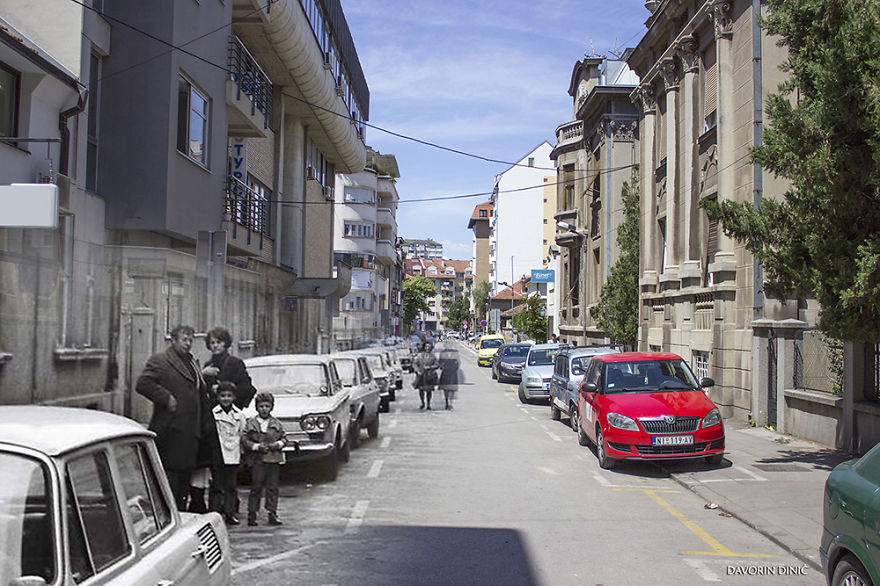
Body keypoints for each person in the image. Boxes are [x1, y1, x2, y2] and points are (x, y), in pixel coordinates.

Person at [136, 324, 209, 510]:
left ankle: (180, 512)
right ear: (173, 340)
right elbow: (143, 383)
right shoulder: (160, 361)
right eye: (184, 339)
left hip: (190, 431)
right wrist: (166, 398)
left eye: (191, 340)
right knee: (170, 478)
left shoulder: (191, 362)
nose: (188, 343)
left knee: (185, 476)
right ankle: (170, 514)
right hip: (171, 430)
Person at [242, 392, 285, 526]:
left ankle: (272, 513)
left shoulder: (276, 423)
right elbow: (244, 439)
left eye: (267, 406)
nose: (264, 409)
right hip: (258, 460)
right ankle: (252, 514)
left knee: (272, 487)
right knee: (256, 487)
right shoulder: (251, 423)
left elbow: (284, 438)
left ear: (271, 407)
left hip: (273, 460)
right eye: (261, 406)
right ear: (256, 407)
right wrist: (255, 447)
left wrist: (277, 444)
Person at [210, 382, 246, 524]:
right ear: (217, 397)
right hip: (218, 454)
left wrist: (242, 454)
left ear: (234, 397)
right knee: (217, 486)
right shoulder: (213, 414)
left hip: (233, 454)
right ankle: (215, 515)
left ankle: (230, 513)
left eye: (229, 396)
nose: (226, 399)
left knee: (231, 486)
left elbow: (242, 434)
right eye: (222, 396)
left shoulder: (239, 415)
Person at [203, 327, 257, 410]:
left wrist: (223, 389)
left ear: (225, 344)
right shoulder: (208, 365)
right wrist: (203, 374)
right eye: (212, 343)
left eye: (219, 342)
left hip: (231, 411)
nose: (215, 346)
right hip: (213, 411)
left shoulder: (235, 363)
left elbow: (247, 388)